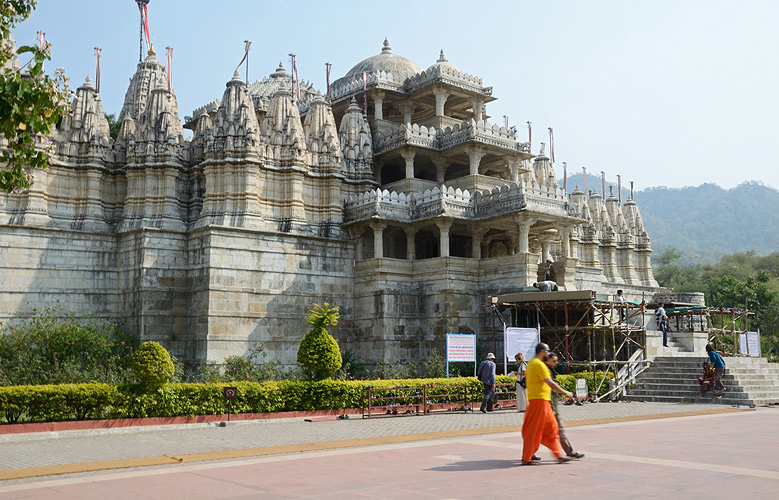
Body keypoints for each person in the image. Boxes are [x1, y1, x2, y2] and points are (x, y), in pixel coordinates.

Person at [521, 342, 576, 465]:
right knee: (533, 431)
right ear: (542, 352)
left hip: (542, 402)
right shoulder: (539, 364)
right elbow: (550, 383)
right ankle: (526, 457)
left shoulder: (531, 363)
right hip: (539, 402)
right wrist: (566, 392)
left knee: (552, 429)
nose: (549, 354)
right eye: (548, 351)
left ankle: (559, 455)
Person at [545, 352, 584, 459]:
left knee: (546, 431)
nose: (556, 363)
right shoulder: (546, 370)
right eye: (554, 361)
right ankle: (567, 453)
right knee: (556, 430)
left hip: (549, 405)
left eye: (556, 360)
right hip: (547, 406)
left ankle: (568, 452)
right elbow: (552, 386)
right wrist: (566, 393)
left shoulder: (549, 370)